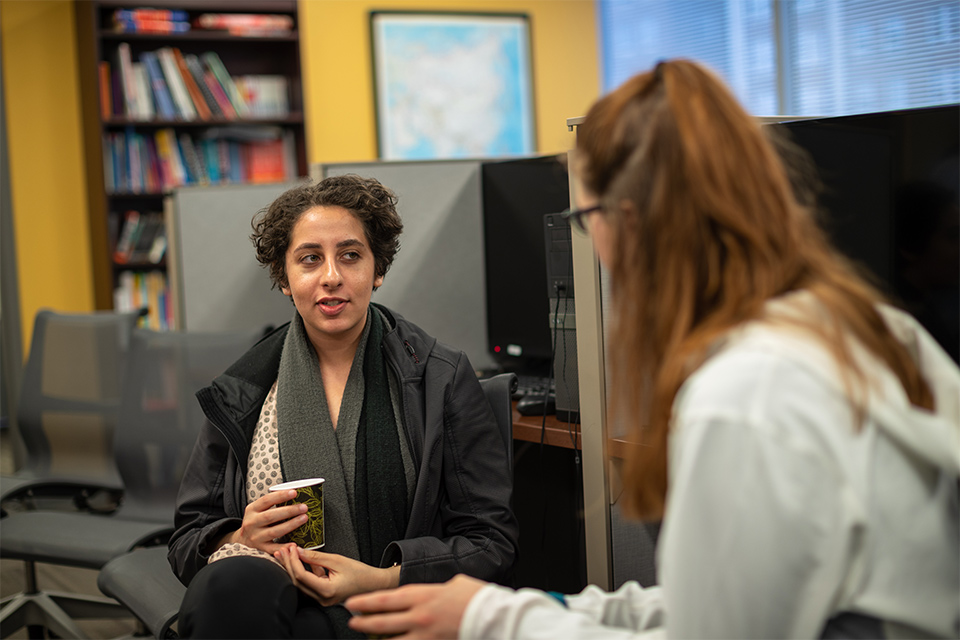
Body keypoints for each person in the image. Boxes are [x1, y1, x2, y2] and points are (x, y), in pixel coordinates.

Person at [343, 59, 960, 639]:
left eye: (585, 219)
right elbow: (728, 598)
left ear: (629, 220)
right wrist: (512, 607)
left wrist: (491, 622)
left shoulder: (749, 388)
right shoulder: (868, 327)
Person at [167, 174, 519, 639]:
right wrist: (240, 537)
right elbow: (187, 539)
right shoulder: (246, 387)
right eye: (310, 259)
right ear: (285, 278)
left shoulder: (440, 377)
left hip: (394, 603)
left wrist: (381, 577)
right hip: (275, 600)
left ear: (377, 270)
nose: (331, 276)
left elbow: (490, 542)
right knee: (228, 589)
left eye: (350, 255)